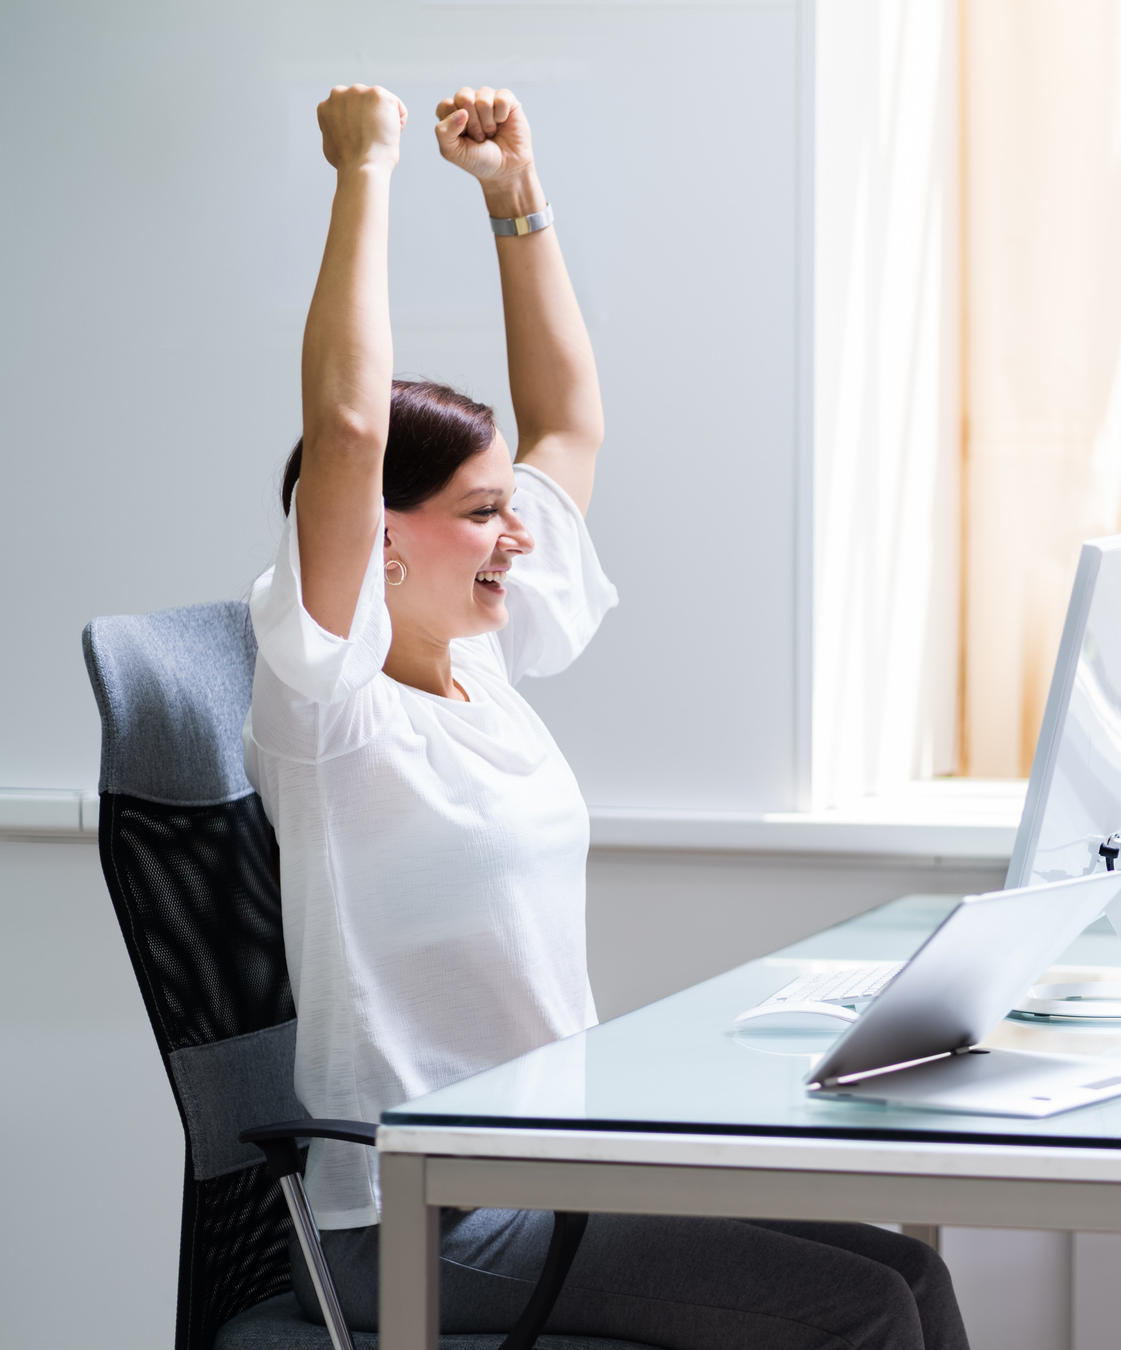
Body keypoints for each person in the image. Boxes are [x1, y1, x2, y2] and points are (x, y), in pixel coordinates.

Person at [252, 83, 968, 1350]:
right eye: (480, 511)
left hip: (545, 1170)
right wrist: (362, 168)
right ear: (377, 541)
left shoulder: (487, 667)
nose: (515, 530)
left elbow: (572, 422)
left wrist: (513, 194)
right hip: (420, 1221)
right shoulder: (330, 706)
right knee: (855, 1315)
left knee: (902, 1278)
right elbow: (348, 425)